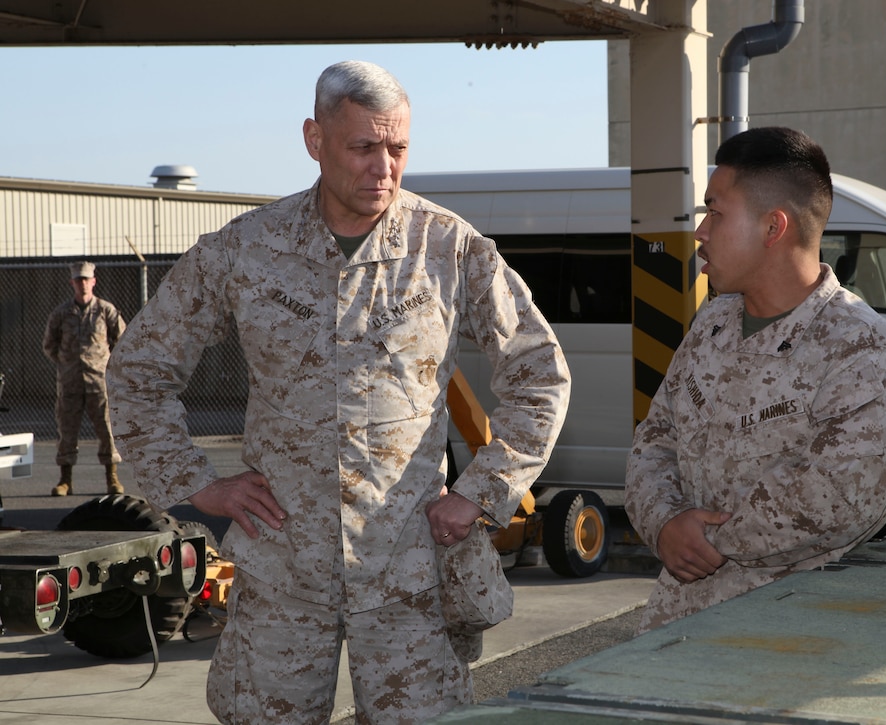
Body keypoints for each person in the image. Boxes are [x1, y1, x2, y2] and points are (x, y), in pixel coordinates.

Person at [106, 60, 570, 723]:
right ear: (315, 139)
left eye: (398, 148)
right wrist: (196, 482)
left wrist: (482, 493)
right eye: (363, 147)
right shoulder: (245, 250)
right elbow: (137, 371)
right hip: (282, 569)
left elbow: (540, 373)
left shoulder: (448, 247)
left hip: (410, 573)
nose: (384, 167)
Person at [624, 127, 886, 634]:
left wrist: (703, 541)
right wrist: (664, 525)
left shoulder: (861, 347)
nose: (700, 232)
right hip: (678, 623)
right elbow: (653, 442)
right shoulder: (713, 324)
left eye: (715, 213)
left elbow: (840, 497)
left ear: (773, 226)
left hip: (794, 634)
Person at [42, 261, 126, 496]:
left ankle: (112, 478)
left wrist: (109, 367)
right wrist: (66, 365)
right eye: (78, 280)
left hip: (99, 381)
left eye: (86, 279)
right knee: (67, 431)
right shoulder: (61, 314)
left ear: (94, 281)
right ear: (72, 283)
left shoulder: (105, 310)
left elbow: (123, 341)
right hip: (70, 382)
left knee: (107, 429)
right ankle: (65, 481)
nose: (83, 284)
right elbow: (49, 345)